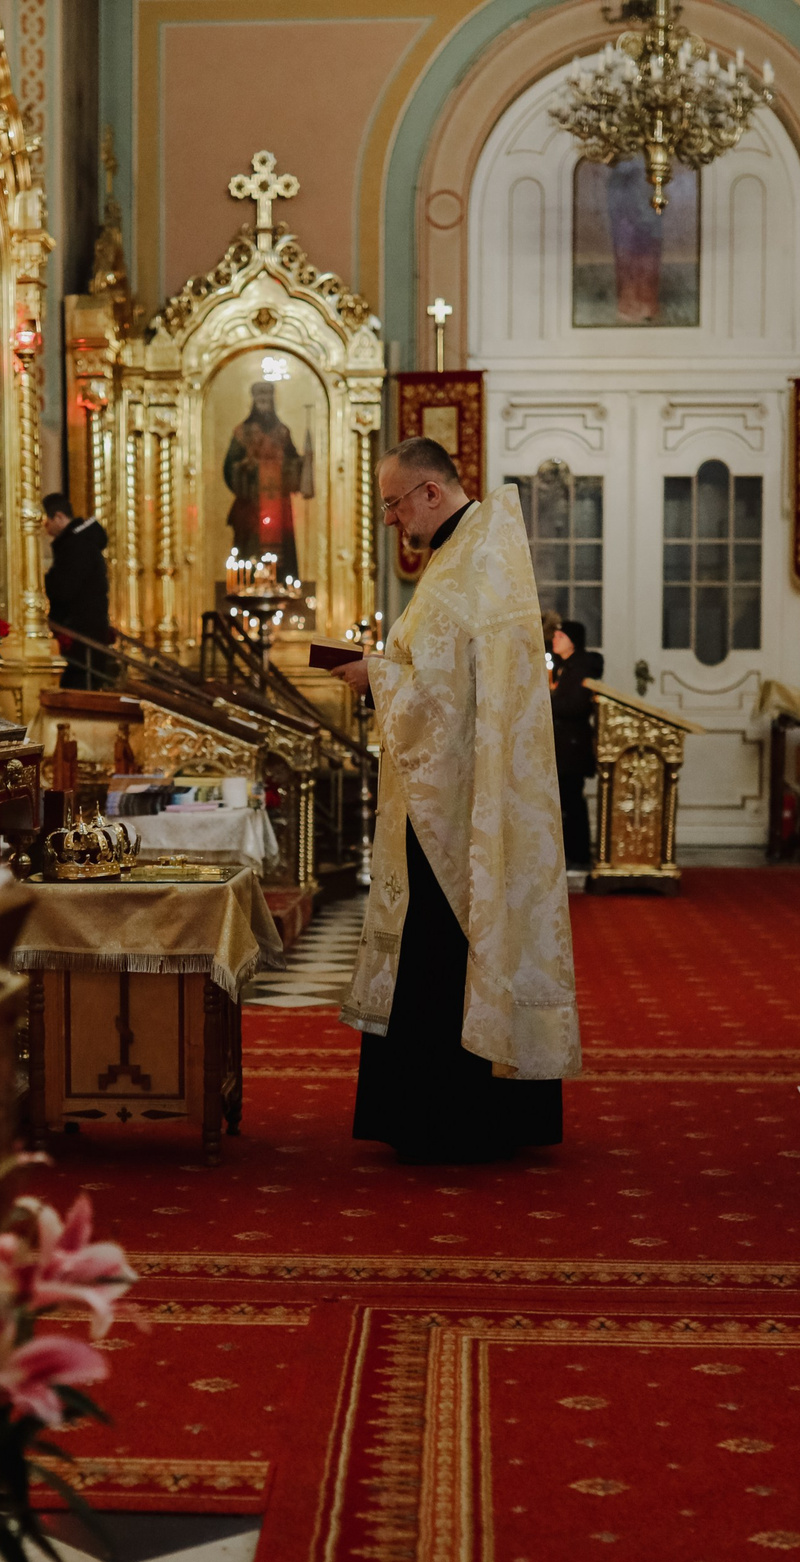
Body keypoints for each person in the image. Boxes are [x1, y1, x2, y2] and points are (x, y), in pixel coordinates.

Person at [326, 438, 578, 1162]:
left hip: (460, 802)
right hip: (446, 790)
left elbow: (438, 689)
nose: (393, 519)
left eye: (395, 502)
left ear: (431, 493)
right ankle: (460, 1110)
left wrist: (373, 675)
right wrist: (384, 667)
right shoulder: (464, 553)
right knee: (434, 942)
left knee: (444, 943)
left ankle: (452, 1116)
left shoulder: (471, 561)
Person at [223, 381, 312, 581]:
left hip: (279, 511)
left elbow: (292, 462)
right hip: (252, 507)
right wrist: (247, 469)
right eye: (260, 399)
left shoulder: (283, 432)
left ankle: (282, 585)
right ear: (254, 402)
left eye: (267, 399)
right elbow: (229, 468)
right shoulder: (241, 432)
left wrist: (301, 463)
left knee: (282, 557)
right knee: (250, 553)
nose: (264, 403)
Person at [42, 493, 113, 688]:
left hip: (81, 635)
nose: (45, 528)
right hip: (85, 632)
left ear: (58, 517)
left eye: (46, 521)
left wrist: (42, 583)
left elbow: (64, 588)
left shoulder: (77, 545)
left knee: (79, 686)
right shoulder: (77, 541)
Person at [549, 618, 603, 869]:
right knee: (565, 800)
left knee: (572, 800)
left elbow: (576, 705)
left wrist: (546, 703)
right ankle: (568, 852)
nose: (554, 640)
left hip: (572, 745)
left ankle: (578, 854)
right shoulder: (563, 665)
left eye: (560, 637)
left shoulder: (581, 667)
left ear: (573, 641)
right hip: (562, 745)